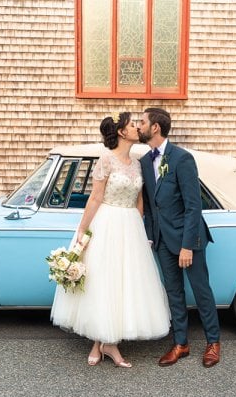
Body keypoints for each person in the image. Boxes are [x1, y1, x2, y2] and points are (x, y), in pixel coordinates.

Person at [51, 112, 170, 368]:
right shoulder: (105, 159)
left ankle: (103, 344)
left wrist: (139, 232)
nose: (138, 128)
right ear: (121, 132)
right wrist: (82, 231)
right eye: (132, 125)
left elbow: (139, 202)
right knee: (103, 282)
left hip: (129, 227)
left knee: (122, 283)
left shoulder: (138, 163)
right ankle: (105, 344)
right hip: (106, 222)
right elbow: (95, 197)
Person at [138, 107, 221, 368]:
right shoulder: (143, 161)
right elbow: (151, 206)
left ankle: (213, 342)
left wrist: (188, 246)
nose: (139, 126)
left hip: (188, 240)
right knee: (173, 293)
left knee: (201, 290)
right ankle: (181, 344)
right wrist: (151, 238)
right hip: (162, 240)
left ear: (155, 128)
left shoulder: (182, 159)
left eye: (142, 122)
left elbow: (193, 206)